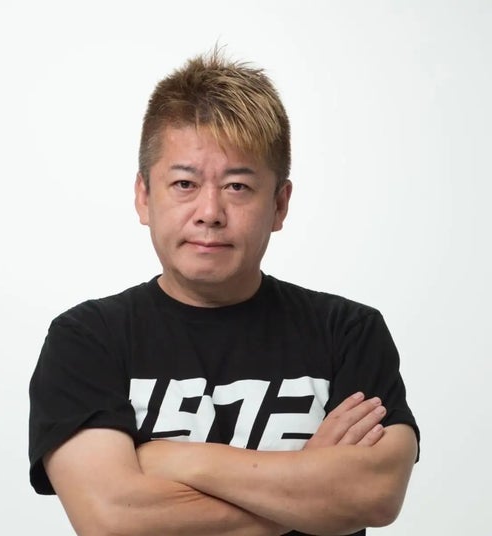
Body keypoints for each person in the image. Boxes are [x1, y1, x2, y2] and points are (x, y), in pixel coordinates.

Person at [29, 49, 419, 536]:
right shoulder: (87, 339)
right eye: (184, 183)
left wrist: (173, 459)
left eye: (237, 187)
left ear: (279, 204)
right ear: (144, 196)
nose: (210, 212)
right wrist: (307, 488)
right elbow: (112, 519)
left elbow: (373, 494)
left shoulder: (348, 332)